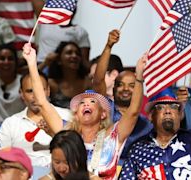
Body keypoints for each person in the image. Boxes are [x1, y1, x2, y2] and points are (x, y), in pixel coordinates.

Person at [23, 43, 145, 179]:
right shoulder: (67, 134)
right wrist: (32, 62)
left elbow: (133, 112)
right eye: (82, 103)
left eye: (93, 102)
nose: (86, 103)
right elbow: (42, 103)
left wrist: (139, 77)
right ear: (76, 113)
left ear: (103, 113)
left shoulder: (114, 135)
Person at [119, 86, 191, 180]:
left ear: (180, 115)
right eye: (160, 107)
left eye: (173, 106)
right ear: (150, 116)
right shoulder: (138, 148)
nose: (168, 111)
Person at [92, 30, 152, 164]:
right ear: (113, 88)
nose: (126, 89)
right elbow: (97, 81)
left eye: (132, 85)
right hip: (102, 168)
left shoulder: (146, 125)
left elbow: (134, 112)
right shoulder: (105, 109)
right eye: (120, 85)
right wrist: (108, 47)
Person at [0, 72, 71, 178]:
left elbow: (76, 152)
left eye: (40, 90)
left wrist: (52, 132)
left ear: (48, 91)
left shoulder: (68, 116)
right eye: (30, 91)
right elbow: (3, 161)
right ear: (21, 93)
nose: (36, 96)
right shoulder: (10, 124)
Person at [30, 0, 90, 68]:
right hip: (42, 66)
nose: (67, 8)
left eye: (71, 6)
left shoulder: (79, 31)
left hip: (66, 71)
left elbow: (84, 62)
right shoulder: (46, 19)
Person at [47, 42, 91, 108]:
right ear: (59, 60)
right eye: (69, 53)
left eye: (77, 54)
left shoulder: (87, 82)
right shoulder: (52, 84)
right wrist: (45, 63)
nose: (74, 56)